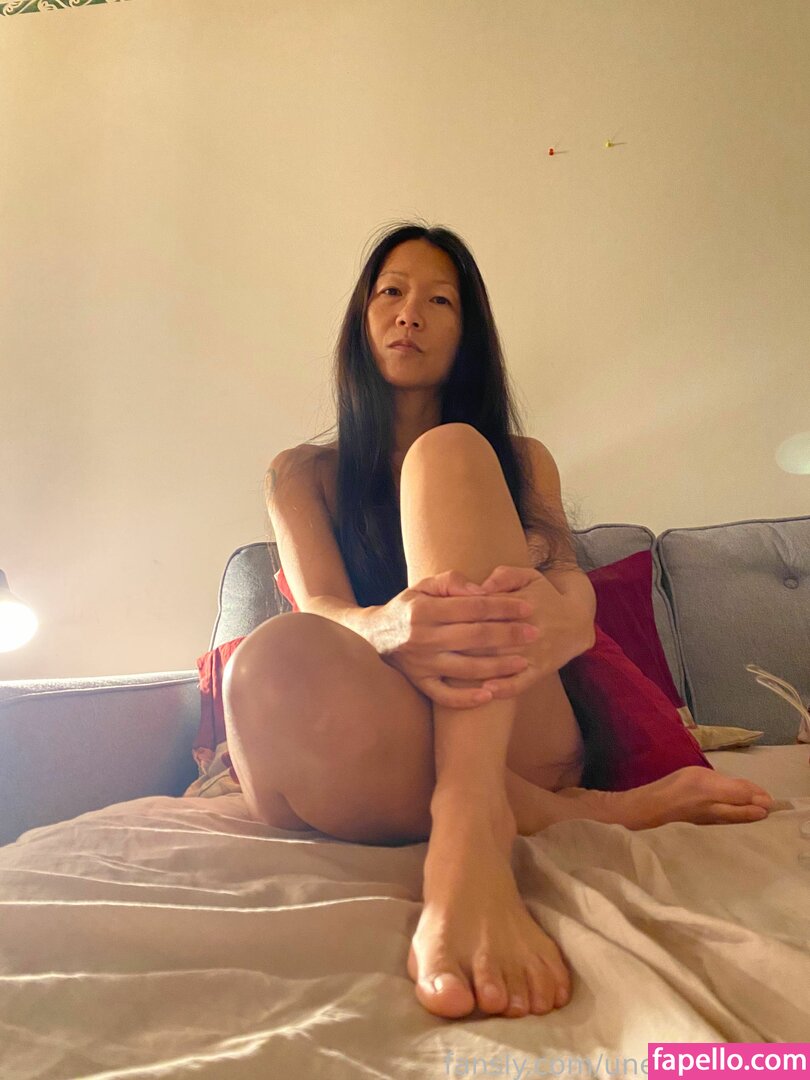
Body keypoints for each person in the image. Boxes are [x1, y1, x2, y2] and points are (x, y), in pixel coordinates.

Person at [222, 221, 776, 1021]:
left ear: (468, 332)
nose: (409, 313)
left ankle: (470, 824)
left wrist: (559, 623)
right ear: (362, 318)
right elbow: (325, 611)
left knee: (448, 453)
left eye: (439, 300)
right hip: (361, 727)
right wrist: (394, 629)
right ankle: (593, 813)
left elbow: (572, 599)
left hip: (512, 724)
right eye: (390, 292)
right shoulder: (301, 474)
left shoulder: (518, 458)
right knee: (267, 665)